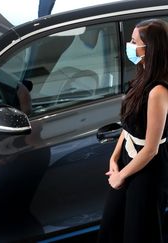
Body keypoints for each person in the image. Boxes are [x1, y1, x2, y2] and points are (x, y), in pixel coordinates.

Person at [98, 19, 168, 243]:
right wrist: (115, 157)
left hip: (148, 169)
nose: (129, 45)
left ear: (150, 49)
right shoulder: (140, 77)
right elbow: (128, 126)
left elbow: (150, 149)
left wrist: (121, 175)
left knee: (138, 233)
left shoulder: (159, 90)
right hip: (129, 160)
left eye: (133, 41)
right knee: (111, 225)